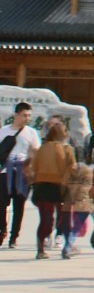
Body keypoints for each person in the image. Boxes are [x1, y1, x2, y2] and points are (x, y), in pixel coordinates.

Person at [26, 119, 76, 258]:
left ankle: (41, 249)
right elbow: (72, 169)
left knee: (45, 219)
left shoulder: (43, 148)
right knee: (65, 219)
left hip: (42, 187)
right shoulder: (67, 149)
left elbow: (34, 168)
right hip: (60, 188)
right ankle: (67, 247)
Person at [1, 101, 41, 248]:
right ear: (16, 115)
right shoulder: (4, 131)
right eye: (24, 115)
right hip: (5, 172)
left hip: (22, 172)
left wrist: (32, 170)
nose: (27, 118)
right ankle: (2, 230)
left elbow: (36, 152)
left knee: (19, 206)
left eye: (29, 116)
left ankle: (14, 236)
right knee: (2, 204)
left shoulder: (31, 133)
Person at [59, 153, 94, 258]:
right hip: (92, 201)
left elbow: (66, 186)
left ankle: (67, 247)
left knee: (76, 227)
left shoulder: (73, 170)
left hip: (78, 202)